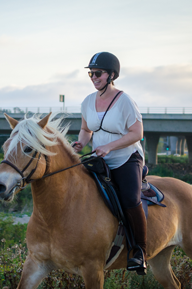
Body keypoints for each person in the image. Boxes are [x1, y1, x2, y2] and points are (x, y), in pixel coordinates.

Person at [73, 52, 147, 274]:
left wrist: (109, 147)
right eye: (90, 74)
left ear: (111, 75)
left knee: (130, 198)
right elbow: (86, 129)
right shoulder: (87, 102)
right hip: (99, 159)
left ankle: (139, 251)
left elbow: (137, 133)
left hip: (126, 158)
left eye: (98, 73)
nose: (93, 77)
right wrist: (80, 143)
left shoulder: (124, 101)